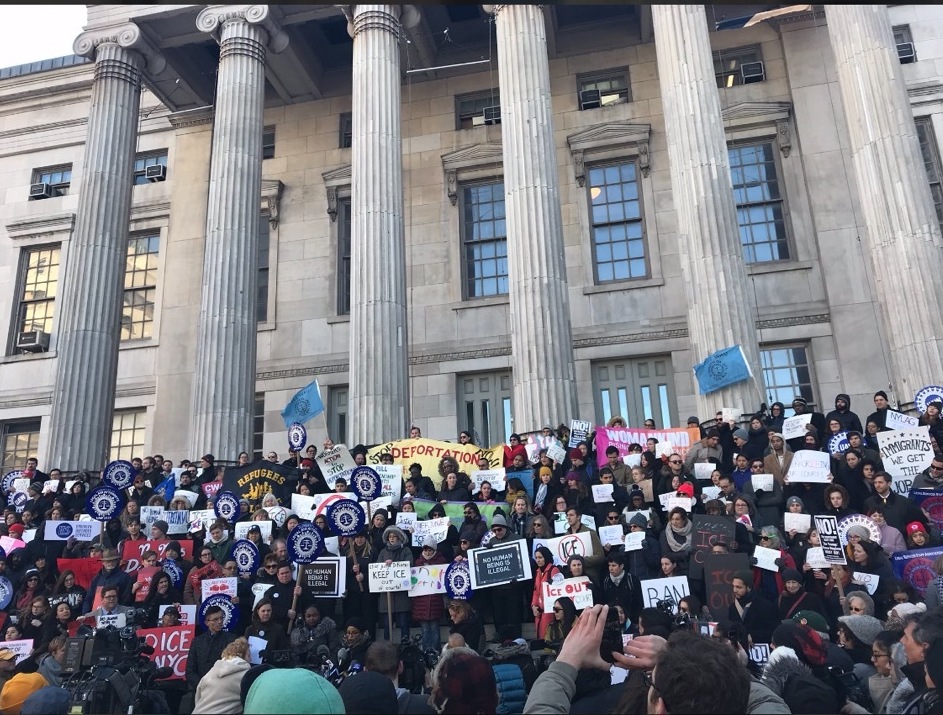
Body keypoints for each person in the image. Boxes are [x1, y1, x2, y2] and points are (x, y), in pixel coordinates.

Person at [364, 640, 436, 714]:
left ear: (365, 670)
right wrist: (430, 690)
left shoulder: (356, 704)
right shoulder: (424, 705)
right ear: (401, 666)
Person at [429, 647, 499, 715]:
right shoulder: (485, 662)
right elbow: (494, 696)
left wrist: (434, 691)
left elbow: (445, 701)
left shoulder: (453, 665)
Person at [192, 637, 251, 715]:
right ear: (242, 656)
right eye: (249, 656)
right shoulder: (246, 676)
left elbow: (198, 696)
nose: (251, 659)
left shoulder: (211, 672)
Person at [729, 570, 779, 645]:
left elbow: (774, 632)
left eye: (738, 587)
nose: (734, 590)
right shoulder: (732, 608)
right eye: (733, 586)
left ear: (748, 587)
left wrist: (753, 636)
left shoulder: (766, 606)